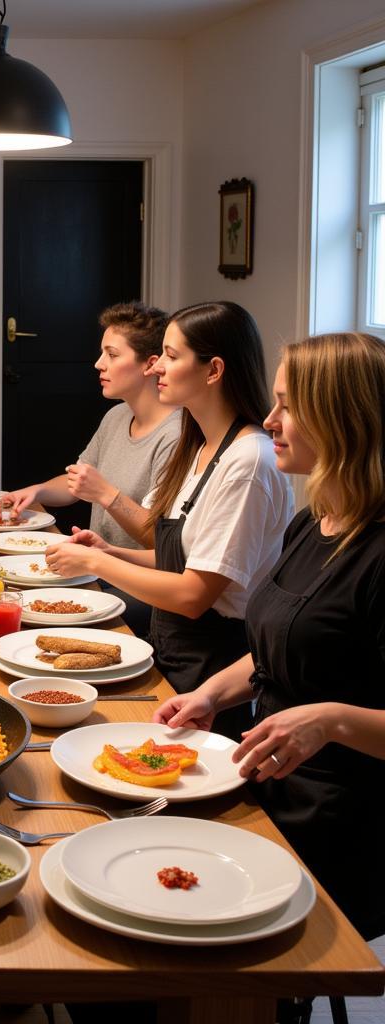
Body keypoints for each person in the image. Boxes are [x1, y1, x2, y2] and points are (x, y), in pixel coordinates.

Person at [154, 331, 385, 943]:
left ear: (343, 419)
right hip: (264, 782)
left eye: (288, 406)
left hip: (339, 817)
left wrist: (331, 720)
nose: (270, 419)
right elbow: (277, 643)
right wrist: (211, 695)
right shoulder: (315, 523)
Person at [44, 301, 292, 738]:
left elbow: (195, 593)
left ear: (213, 370)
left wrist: (97, 565)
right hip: (171, 650)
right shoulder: (198, 446)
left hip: (211, 667)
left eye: (172, 357)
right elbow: (175, 555)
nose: (158, 367)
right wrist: (109, 550)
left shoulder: (249, 461)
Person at [6, 301, 180, 635]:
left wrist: (105, 494)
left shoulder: (175, 437)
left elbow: (162, 544)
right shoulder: (117, 417)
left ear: (150, 364)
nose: (99, 363)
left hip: (137, 585)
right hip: (96, 570)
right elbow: (77, 483)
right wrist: (37, 491)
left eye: (113, 355)